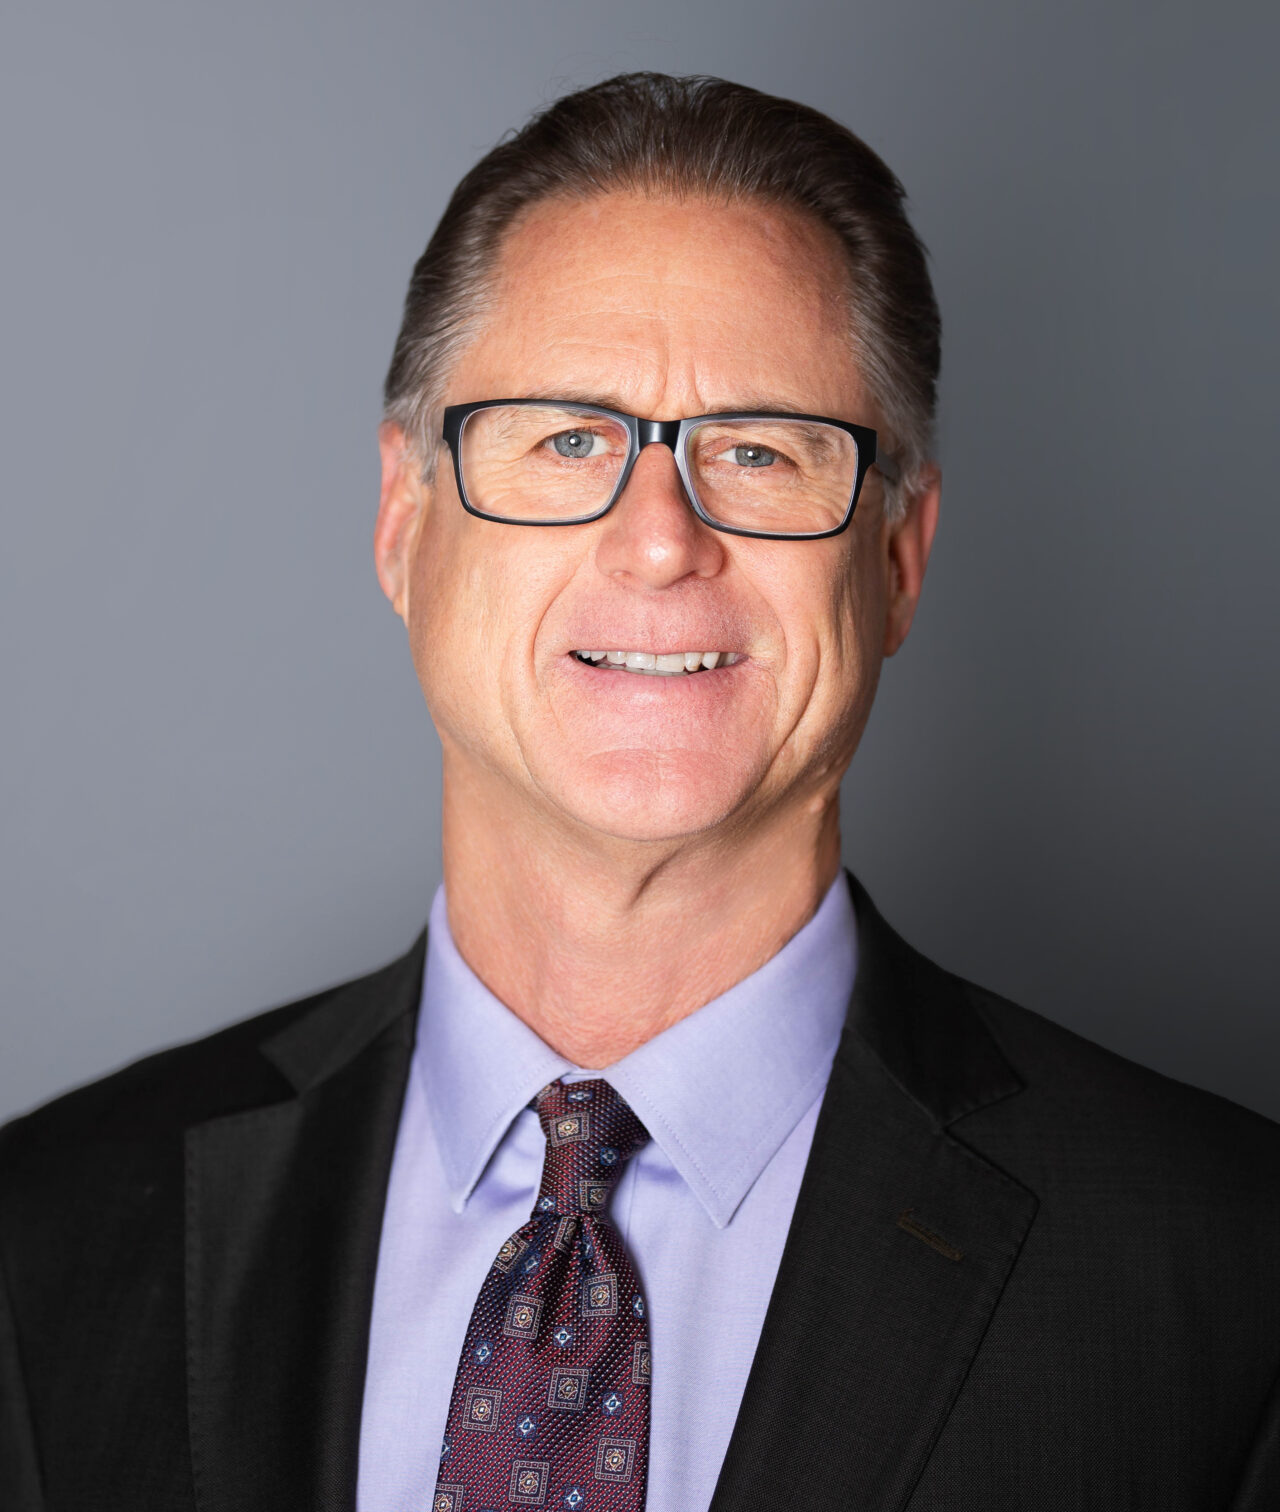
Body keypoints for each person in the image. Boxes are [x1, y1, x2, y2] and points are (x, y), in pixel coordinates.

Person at [2, 73, 1277, 1512]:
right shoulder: (46, 1238)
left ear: (901, 558)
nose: (660, 540)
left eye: (757, 450)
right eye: (563, 440)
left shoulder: (1227, 1280)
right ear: (403, 523)